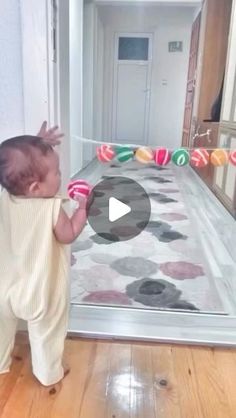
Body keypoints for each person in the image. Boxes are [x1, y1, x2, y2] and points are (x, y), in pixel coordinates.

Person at [0, 125, 87, 386]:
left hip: (3, 289)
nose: (61, 176)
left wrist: (38, 143)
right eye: (57, 173)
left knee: (1, 331)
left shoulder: (5, 198)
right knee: (46, 334)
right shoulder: (51, 207)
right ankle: (48, 374)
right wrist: (83, 209)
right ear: (36, 188)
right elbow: (68, 234)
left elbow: (14, 167)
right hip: (41, 294)